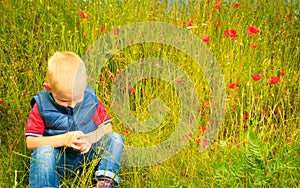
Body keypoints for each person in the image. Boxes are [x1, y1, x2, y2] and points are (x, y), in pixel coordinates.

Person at [25, 51, 124, 188]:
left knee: (115, 139)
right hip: (61, 161)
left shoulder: (89, 98)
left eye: (77, 99)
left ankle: (104, 183)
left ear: (84, 86)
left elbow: (106, 127)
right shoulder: (41, 105)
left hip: (89, 158)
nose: (72, 105)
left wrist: (90, 138)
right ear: (49, 88)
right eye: (64, 100)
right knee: (43, 153)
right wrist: (64, 139)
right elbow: (31, 142)